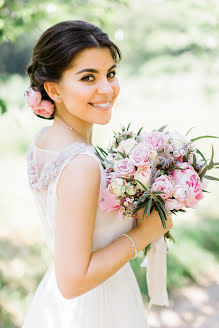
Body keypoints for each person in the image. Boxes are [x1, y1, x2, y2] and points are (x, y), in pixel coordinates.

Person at [22, 20, 173, 328]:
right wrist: (145, 232)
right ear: (53, 89)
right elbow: (73, 281)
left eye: (111, 74)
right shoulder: (81, 163)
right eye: (88, 77)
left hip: (59, 303)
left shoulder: (45, 140)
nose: (106, 89)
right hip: (94, 307)